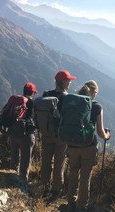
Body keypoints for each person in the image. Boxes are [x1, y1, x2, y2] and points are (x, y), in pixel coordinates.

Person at [67, 80, 110, 212]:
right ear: (94, 92)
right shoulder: (97, 107)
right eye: (96, 92)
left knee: (73, 172)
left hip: (72, 144)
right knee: (85, 177)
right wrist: (107, 136)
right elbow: (100, 132)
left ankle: (70, 203)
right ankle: (81, 206)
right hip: (88, 146)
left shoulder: (72, 102)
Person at [41, 70, 76, 199]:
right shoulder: (67, 98)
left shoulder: (46, 94)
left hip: (47, 134)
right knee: (59, 163)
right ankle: (56, 190)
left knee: (46, 161)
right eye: (69, 80)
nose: (70, 82)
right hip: (61, 137)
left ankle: (44, 187)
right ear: (62, 81)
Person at [9, 82, 37, 181]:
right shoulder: (32, 102)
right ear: (33, 92)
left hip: (14, 131)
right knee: (25, 159)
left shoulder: (17, 100)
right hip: (27, 133)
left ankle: (11, 177)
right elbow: (35, 118)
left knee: (14, 156)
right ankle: (22, 181)